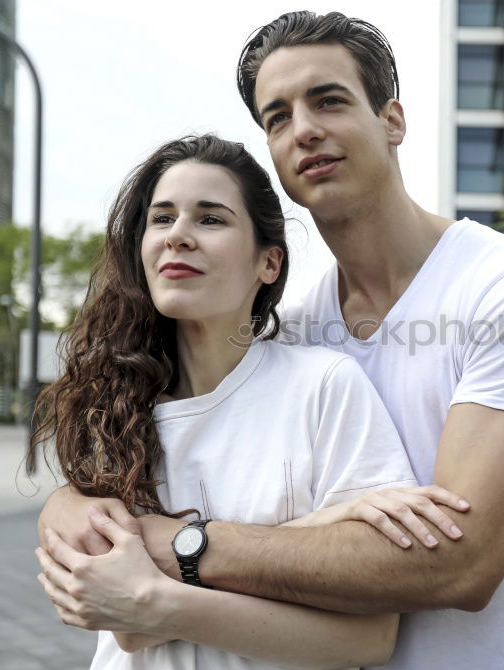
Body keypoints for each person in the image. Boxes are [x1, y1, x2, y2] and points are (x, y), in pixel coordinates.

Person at [38, 10, 504, 669]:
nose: (303, 129)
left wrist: (170, 543)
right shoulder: (290, 327)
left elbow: (460, 565)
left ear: (393, 121)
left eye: (328, 100)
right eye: (277, 116)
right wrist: (68, 504)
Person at [30, 133, 470, 669]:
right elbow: (125, 627)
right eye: (162, 218)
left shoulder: (322, 386)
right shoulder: (115, 403)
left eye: (210, 219)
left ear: (269, 263)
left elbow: (370, 637)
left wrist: (161, 599)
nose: (178, 237)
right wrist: (313, 529)